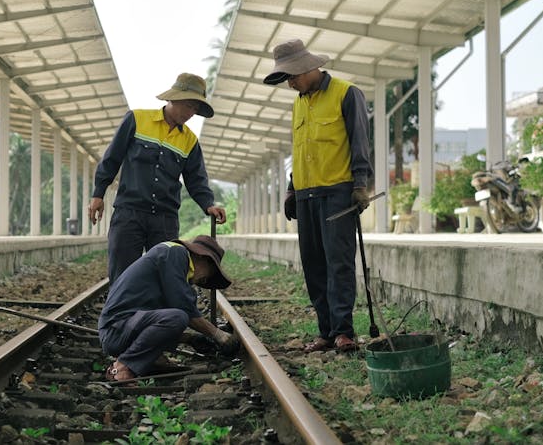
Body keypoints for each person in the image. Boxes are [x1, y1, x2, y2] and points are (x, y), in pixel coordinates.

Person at [263, 39, 373, 353]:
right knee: (313, 264)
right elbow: (300, 149)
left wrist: (359, 183)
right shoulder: (298, 102)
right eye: (286, 77)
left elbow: (359, 142)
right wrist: (291, 188)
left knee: (338, 263)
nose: (290, 82)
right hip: (307, 196)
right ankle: (325, 331)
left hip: (338, 192)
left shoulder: (346, 93)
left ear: (309, 67)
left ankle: (343, 331)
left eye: (292, 75)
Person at [88, 72, 227, 282]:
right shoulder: (136, 119)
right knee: (122, 274)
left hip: (164, 219)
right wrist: (98, 194)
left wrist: (208, 204)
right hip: (129, 213)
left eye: (195, 109)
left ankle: (159, 315)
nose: (191, 113)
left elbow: (196, 179)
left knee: (164, 275)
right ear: (173, 98)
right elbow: (112, 158)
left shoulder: (189, 141)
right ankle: (120, 314)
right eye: (189, 105)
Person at [98, 235, 239, 383]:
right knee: (178, 317)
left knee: (174, 317)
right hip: (116, 329)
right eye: (210, 273)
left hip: (121, 328)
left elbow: (154, 325)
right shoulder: (176, 253)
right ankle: (123, 367)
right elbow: (184, 307)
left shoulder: (171, 256)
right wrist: (218, 335)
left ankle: (153, 360)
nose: (203, 280)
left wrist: (189, 339)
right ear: (202, 258)